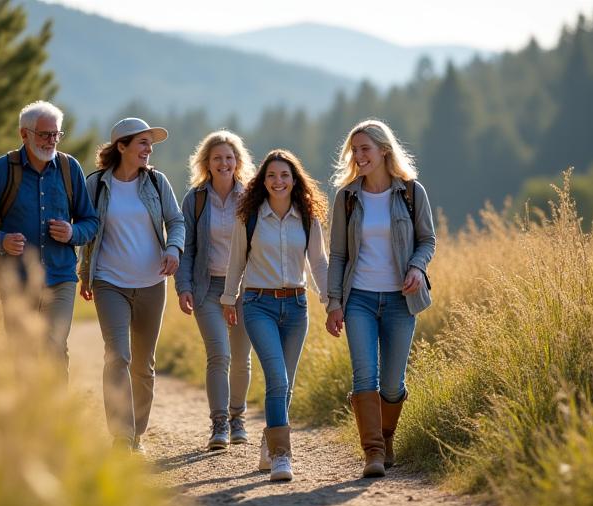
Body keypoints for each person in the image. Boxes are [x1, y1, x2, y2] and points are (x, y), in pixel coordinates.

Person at [325, 119, 436, 478]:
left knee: (392, 383)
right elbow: (338, 255)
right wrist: (334, 301)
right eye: (354, 151)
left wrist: (417, 268)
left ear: (384, 150)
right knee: (364, 376)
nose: (358, 157)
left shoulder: (411, 192)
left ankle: (386, 438)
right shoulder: (347, 197)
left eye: (365, 149)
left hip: (401, 301)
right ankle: (372, 452)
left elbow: (427, 240)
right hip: (358, 298)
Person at [0, 100, 99, 380]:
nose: (51, 141)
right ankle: (27, 417)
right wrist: (0, 240)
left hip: (61, 278)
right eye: (44, 134)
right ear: (24, 134)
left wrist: (73, 233)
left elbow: (91, 222)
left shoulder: (69, 168)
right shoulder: (0, 170)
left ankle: (55, 418)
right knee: (21, 351)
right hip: (16, 278)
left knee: (55, 348)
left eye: (56, 134)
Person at [78, 118, 184, 452]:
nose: (148, 150)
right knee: (117, 356)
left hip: (152, 283)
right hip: (110, 282)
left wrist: (173, 248)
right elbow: (86, 231)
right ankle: (121, 436)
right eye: (142, 143)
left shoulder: (156, 182)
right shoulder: (95, 184)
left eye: (150, 144)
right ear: (121, 146)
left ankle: (136, 432)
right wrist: (85, 273)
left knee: (143, 365)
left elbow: (176, 221)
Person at [221, 149, 328, 482]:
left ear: (294, 180)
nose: (278, 181)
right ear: (262, 181)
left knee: (287, 385)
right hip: (258, 304)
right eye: (271, 176)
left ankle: (270, 443)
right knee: (277, 380)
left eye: (284, 175)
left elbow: (319, 262)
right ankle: (283, 456)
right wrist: (228, 298)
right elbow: (236, 260)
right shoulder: (250, 216)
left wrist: (330, 299)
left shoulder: (307, 217)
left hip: (296, 306)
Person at [175, 130, 255, 450]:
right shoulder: (195, 199)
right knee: (218, 354)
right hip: (207, 287)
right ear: (207, 162)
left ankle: (238, 419)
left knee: (241, 358)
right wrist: (183, 287)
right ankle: (219, 423)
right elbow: (187, 247)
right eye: (217, 157)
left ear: (237, 162)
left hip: (246, 288)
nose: (224, 163)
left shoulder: (251, 197)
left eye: (229, 157)